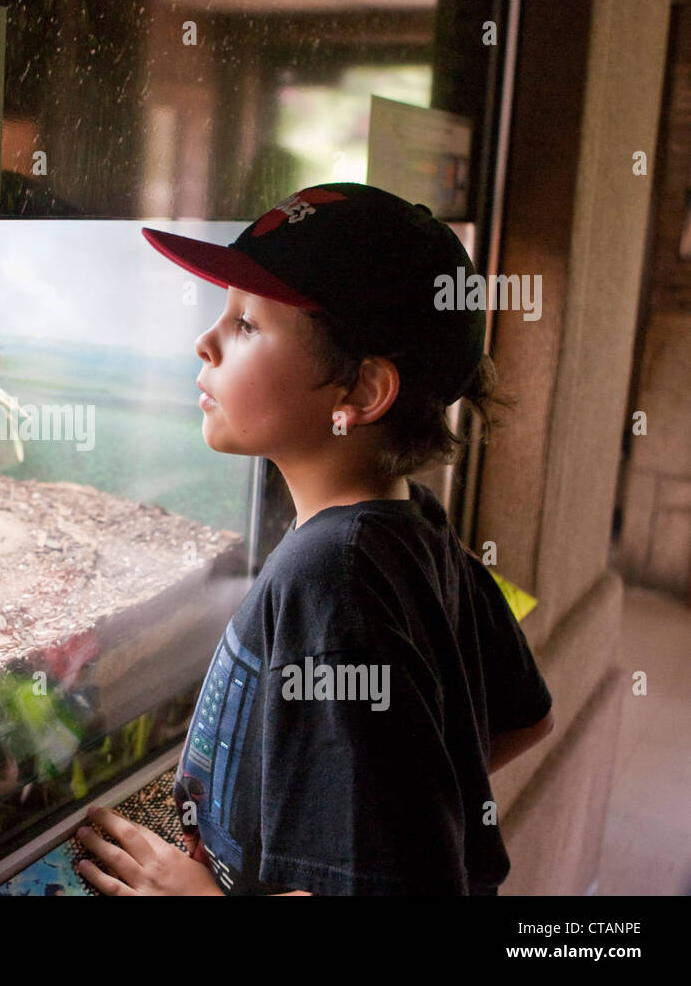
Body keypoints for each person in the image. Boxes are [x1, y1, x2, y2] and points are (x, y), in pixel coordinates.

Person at [74, 182, 554, 896]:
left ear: (359, 393)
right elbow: (528, 716)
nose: (204, 341)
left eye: (247, 325)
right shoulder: (413, 525)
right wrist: (403, 793)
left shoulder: (332, 575)